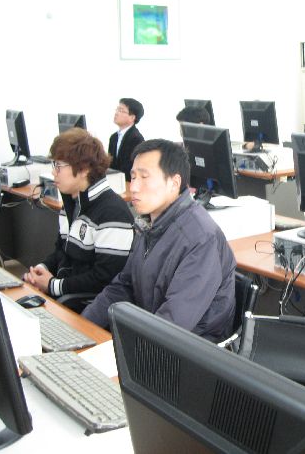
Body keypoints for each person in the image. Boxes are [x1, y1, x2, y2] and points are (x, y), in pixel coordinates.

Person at [82, 139, 236, 342]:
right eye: (133, 177)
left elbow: (173, 323)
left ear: (174, 183)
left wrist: (123, 351)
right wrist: (81, 328)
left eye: (144, 177)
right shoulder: (149, 225)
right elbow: (122, 287)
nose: (134, 187)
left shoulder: (201, 238)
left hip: (191, 349)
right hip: (153, 336)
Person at [23, 129, 134, 310]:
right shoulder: (72, 203)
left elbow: (105, 278)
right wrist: (42, 269)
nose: (53, 172)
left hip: (90, 303)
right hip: (67, 290)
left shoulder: (112, 213)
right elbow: (62, 251)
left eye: (58, 166)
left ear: (84, 169)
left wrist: (52, 285)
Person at [108, 98, 145, 182]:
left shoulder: (136, 139)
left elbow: (131, 168)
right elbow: (111, 164)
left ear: (132, 117)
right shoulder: (113, 137)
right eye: (117, 109)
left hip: (129, 183)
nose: (116, 113)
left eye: (121, 110)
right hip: (114, 182)